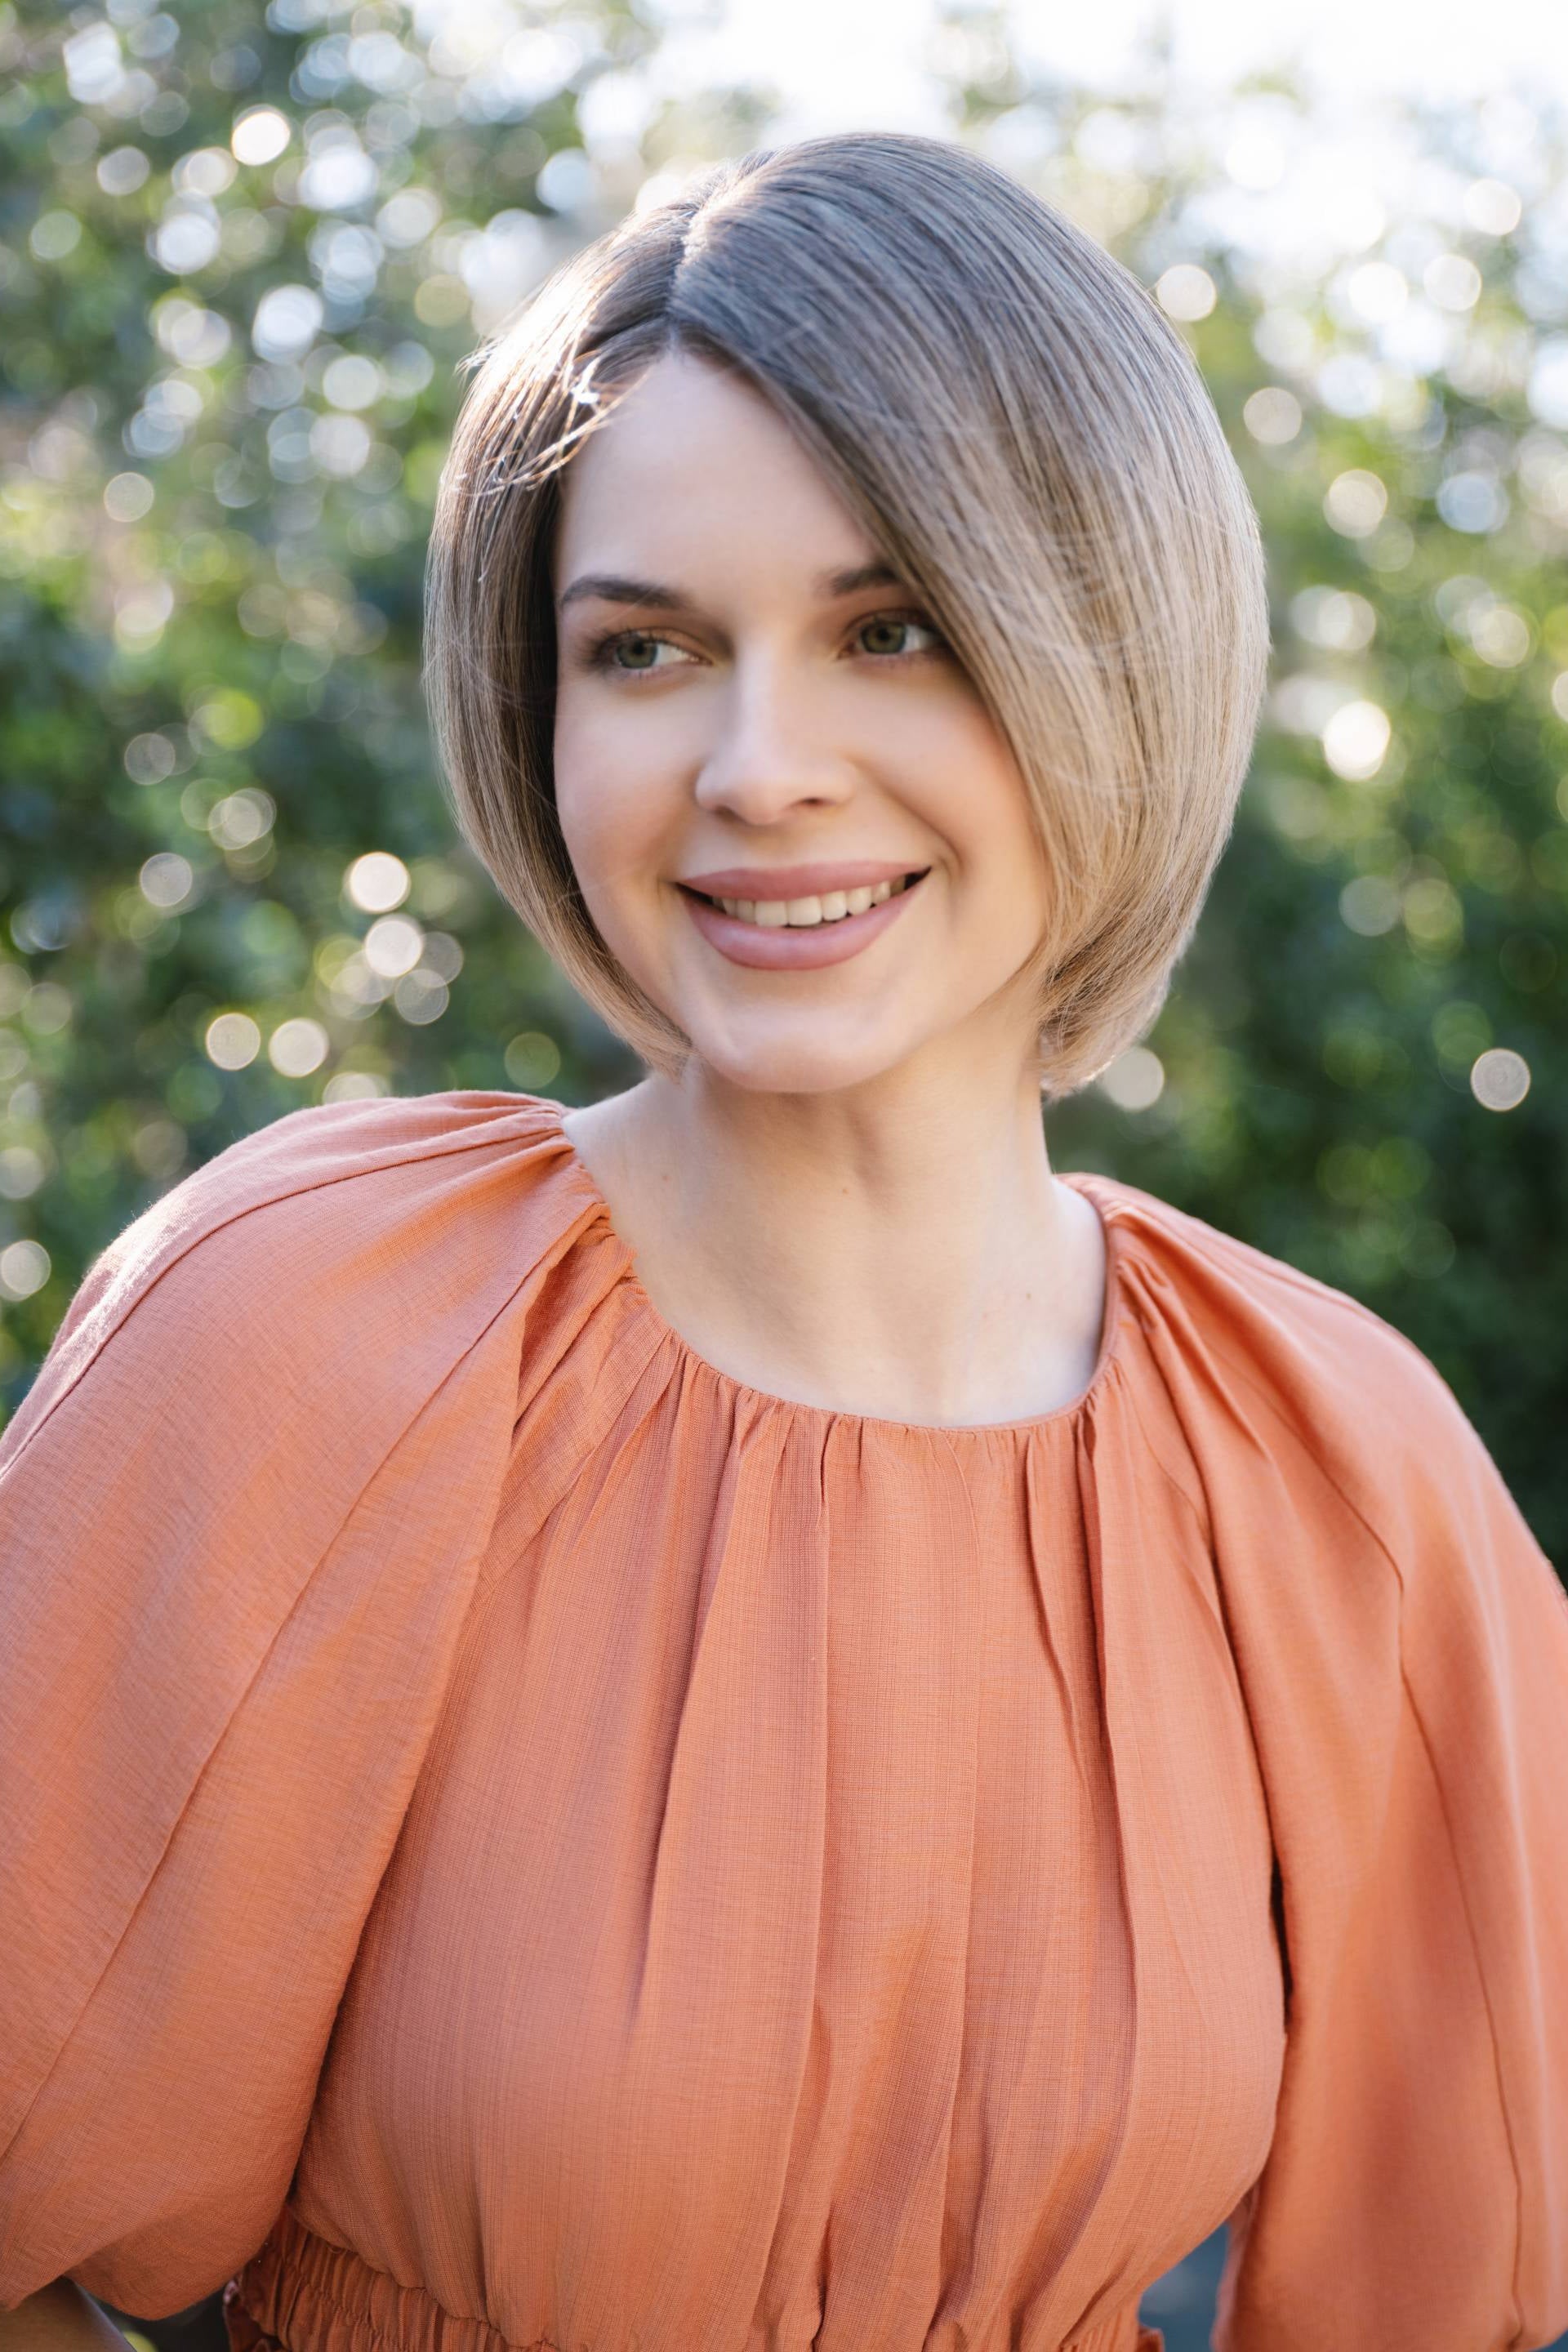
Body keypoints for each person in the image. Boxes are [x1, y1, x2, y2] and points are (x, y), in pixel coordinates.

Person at [1, 129, 1565, 2352]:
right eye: (644, 648)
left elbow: (1459, 2292)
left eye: (891, 629)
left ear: (1104, 653)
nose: (758, 765)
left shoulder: (1333, 1466)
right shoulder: (315, 1326)